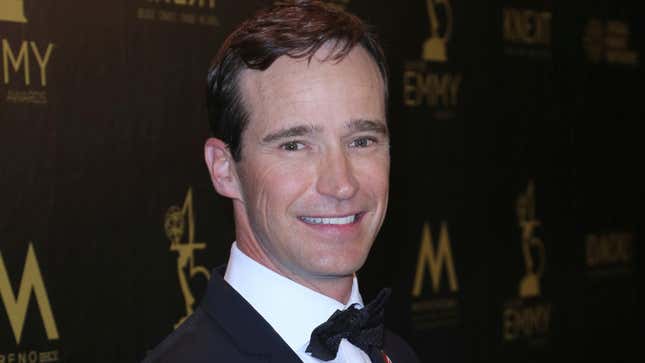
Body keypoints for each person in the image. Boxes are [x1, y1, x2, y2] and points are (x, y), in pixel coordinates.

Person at [143, 1, 419, 362]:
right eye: (294, 145)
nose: (342, 185)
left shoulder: (397, 354)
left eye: (362, 141)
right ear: (224, 169)